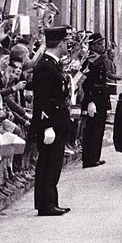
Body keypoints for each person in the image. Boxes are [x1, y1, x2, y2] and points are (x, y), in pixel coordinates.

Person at [28, 26, 74, 216]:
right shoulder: (46, 66)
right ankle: (46, 204)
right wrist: (47, 126)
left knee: (52, 164)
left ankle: (50, 201)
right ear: (61, 43)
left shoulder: (51, 64)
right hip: (50, 123)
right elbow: (43, 99)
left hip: (56, 121)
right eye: (67, 43)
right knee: (49, 163)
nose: (68, 47)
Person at [78, 33, 111, 169]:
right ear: (92, 45)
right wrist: (90, 100)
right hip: (94, 97)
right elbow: (87, 82)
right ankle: (89, 158)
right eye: (98, 44)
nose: (102, 46)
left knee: (99, 128)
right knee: (93, 128)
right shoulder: (91, 60)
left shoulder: (99, 58)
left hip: (101, 96)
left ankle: (94, 157)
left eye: (102, 44)